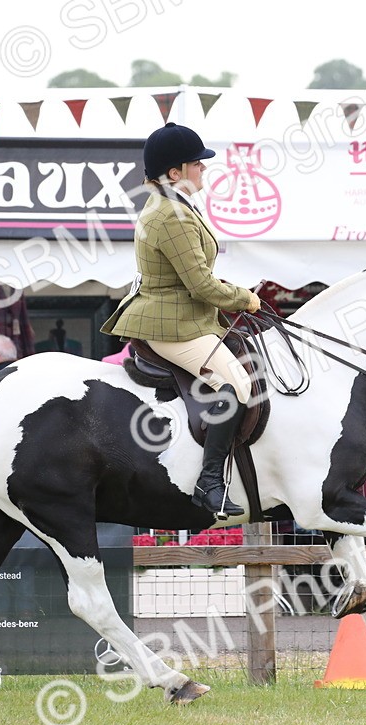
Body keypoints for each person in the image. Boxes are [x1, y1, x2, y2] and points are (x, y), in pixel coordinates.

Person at [101, 122, 262, 518]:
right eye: (197, 164)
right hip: (172, 324)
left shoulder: (173, 204)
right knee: (236, 385)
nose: (204, 169)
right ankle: (209, 482)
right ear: (175, 172)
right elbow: (202, 287)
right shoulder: (172, 215)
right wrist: (247, 299)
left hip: (182, 317)